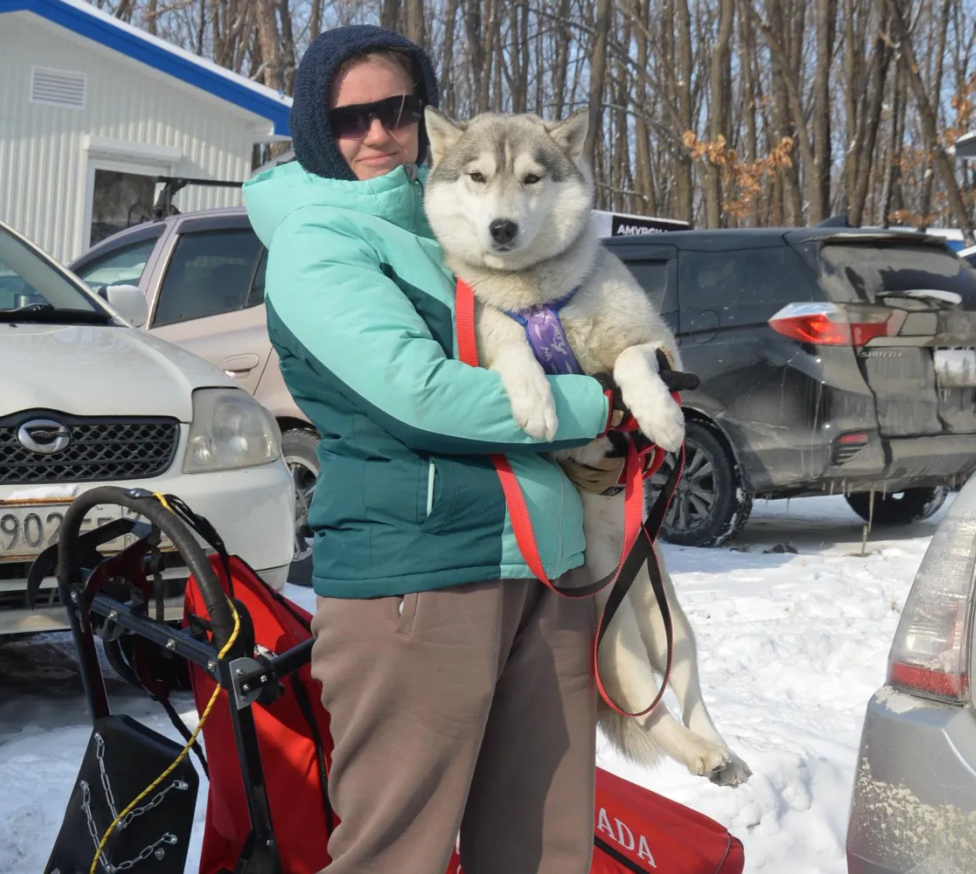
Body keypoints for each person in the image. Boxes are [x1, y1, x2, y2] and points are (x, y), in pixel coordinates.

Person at [242, 25, 623, 874]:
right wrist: (599, 403)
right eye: (348, 120)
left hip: (541, 566)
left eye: (396, 109)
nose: (377, 134)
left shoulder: (458, 224)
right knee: (396, 853)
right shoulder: (318, 239)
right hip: (418, 579)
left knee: (543, 848)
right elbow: (421, 396)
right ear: (313, 130)